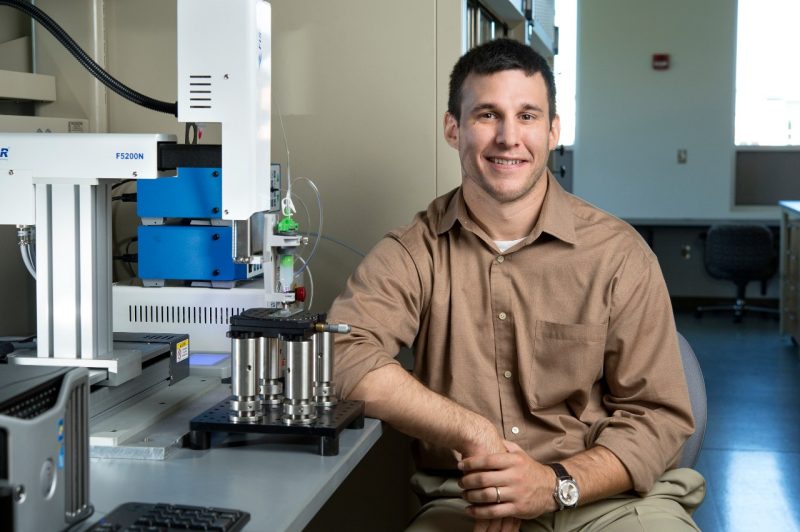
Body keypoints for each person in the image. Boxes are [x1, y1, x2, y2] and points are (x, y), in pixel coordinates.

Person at [328, 38, 705, 532]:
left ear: (552, 133)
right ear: (452, 128)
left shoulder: (618, 255)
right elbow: (340, 353)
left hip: (605, 499)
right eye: (487, 114)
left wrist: (552, 484)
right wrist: (475, 435)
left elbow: (658, 416)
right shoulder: (414, 250)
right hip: (466, 501)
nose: (509, 137)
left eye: (527, 116)